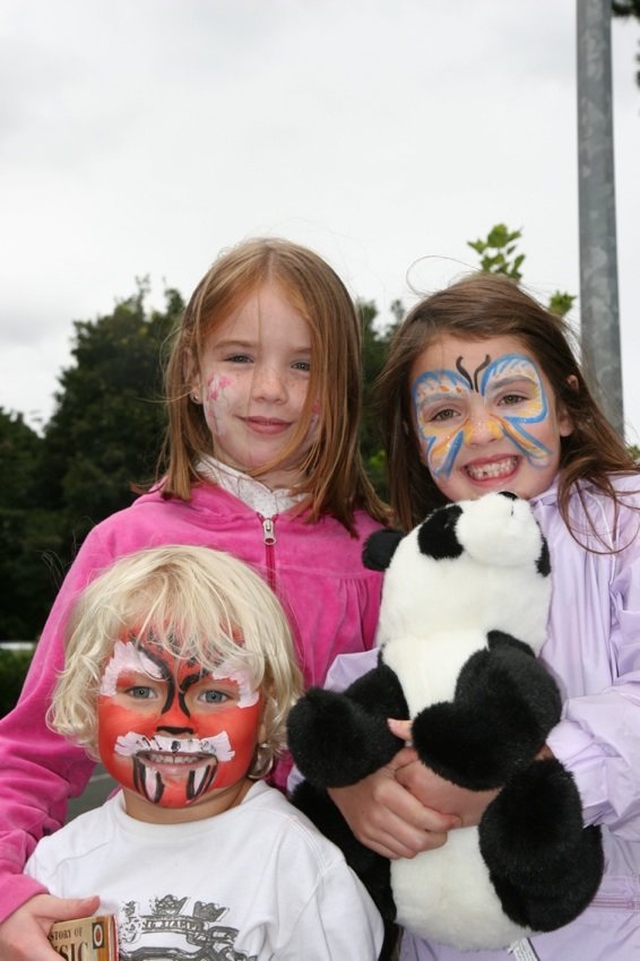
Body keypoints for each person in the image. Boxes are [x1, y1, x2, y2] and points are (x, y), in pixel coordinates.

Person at [0, 237, 388, 959]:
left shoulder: (380, 558)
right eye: (239, 357)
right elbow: (30, 753)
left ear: (342, 387)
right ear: (191, 370)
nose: (270, 388)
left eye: (304, 364)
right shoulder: (124, 545)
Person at [328, 272, 640, 960]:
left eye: (511, 396)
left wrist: (531, 772)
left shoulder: (626, 521)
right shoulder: (412, 562)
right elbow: (362, 690)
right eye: (443, 413)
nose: (481, 431)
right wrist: (354, 781)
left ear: (565, 404)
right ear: (412, 436)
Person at [23, 544, 384, 960]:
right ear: (90, 700)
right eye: (140, 690)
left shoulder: (296, 866)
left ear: (265, 709)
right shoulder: (59, 866)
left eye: (214, 694)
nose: (175, 720)